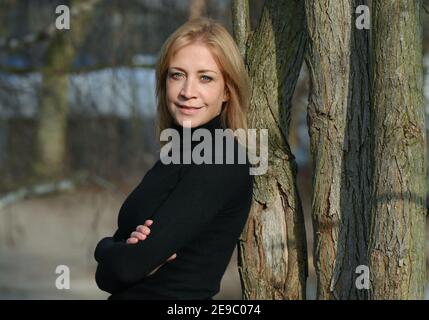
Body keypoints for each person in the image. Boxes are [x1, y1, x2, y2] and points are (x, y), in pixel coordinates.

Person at [94, 17, 253, 300]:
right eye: (177, 75)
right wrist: (123, 254)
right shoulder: (176, 155)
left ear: (227, 90)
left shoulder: (223, 160)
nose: (187, 92)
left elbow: (126, 269)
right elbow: (107, 277)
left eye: (205, 78)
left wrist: (105, 249)